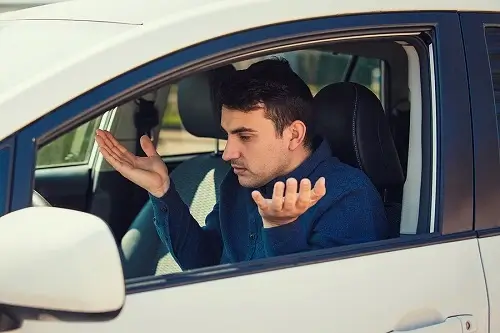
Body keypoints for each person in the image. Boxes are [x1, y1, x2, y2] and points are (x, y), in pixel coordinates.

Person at [95, 58, 388, 271]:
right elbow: (203, 264)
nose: (228, 153)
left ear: (293, 134)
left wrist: (281, 230)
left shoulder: (349, 196)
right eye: (227, 135)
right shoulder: (239, 183)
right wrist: (163, 192)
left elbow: (309, 311)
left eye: (244, 136)